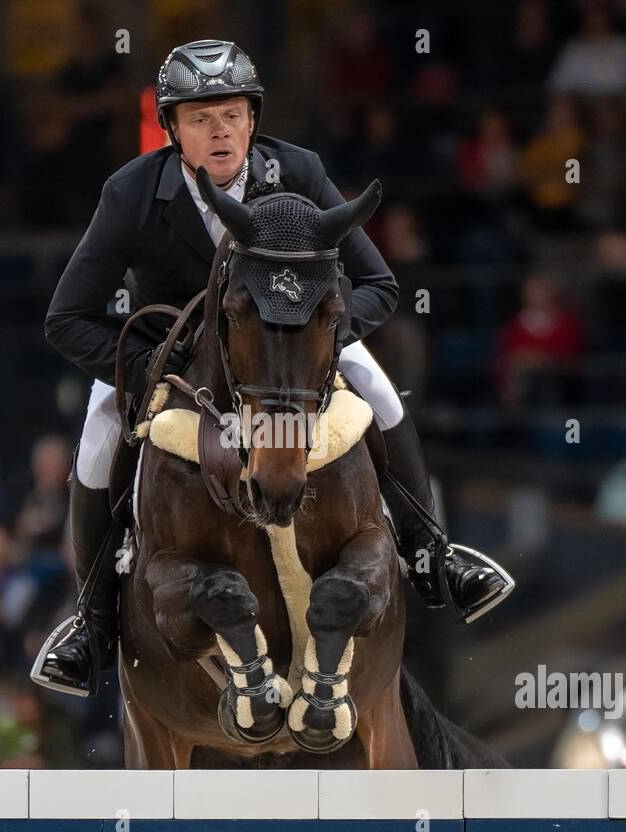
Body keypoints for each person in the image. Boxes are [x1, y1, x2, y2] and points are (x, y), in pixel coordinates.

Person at [38, 40, 512, 696]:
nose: (220, 130)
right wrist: (145, 363)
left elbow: (379, 284)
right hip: (172, 362)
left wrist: (324, 333)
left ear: (253, 121)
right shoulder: (132, 194)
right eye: (201, 118)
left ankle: (433, 552)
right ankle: (92, 620)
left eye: (232, 114)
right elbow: (66, 318)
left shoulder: (300, 173)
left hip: (283, 353)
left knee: (375, 384)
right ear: (172, 129)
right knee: (95, 437)